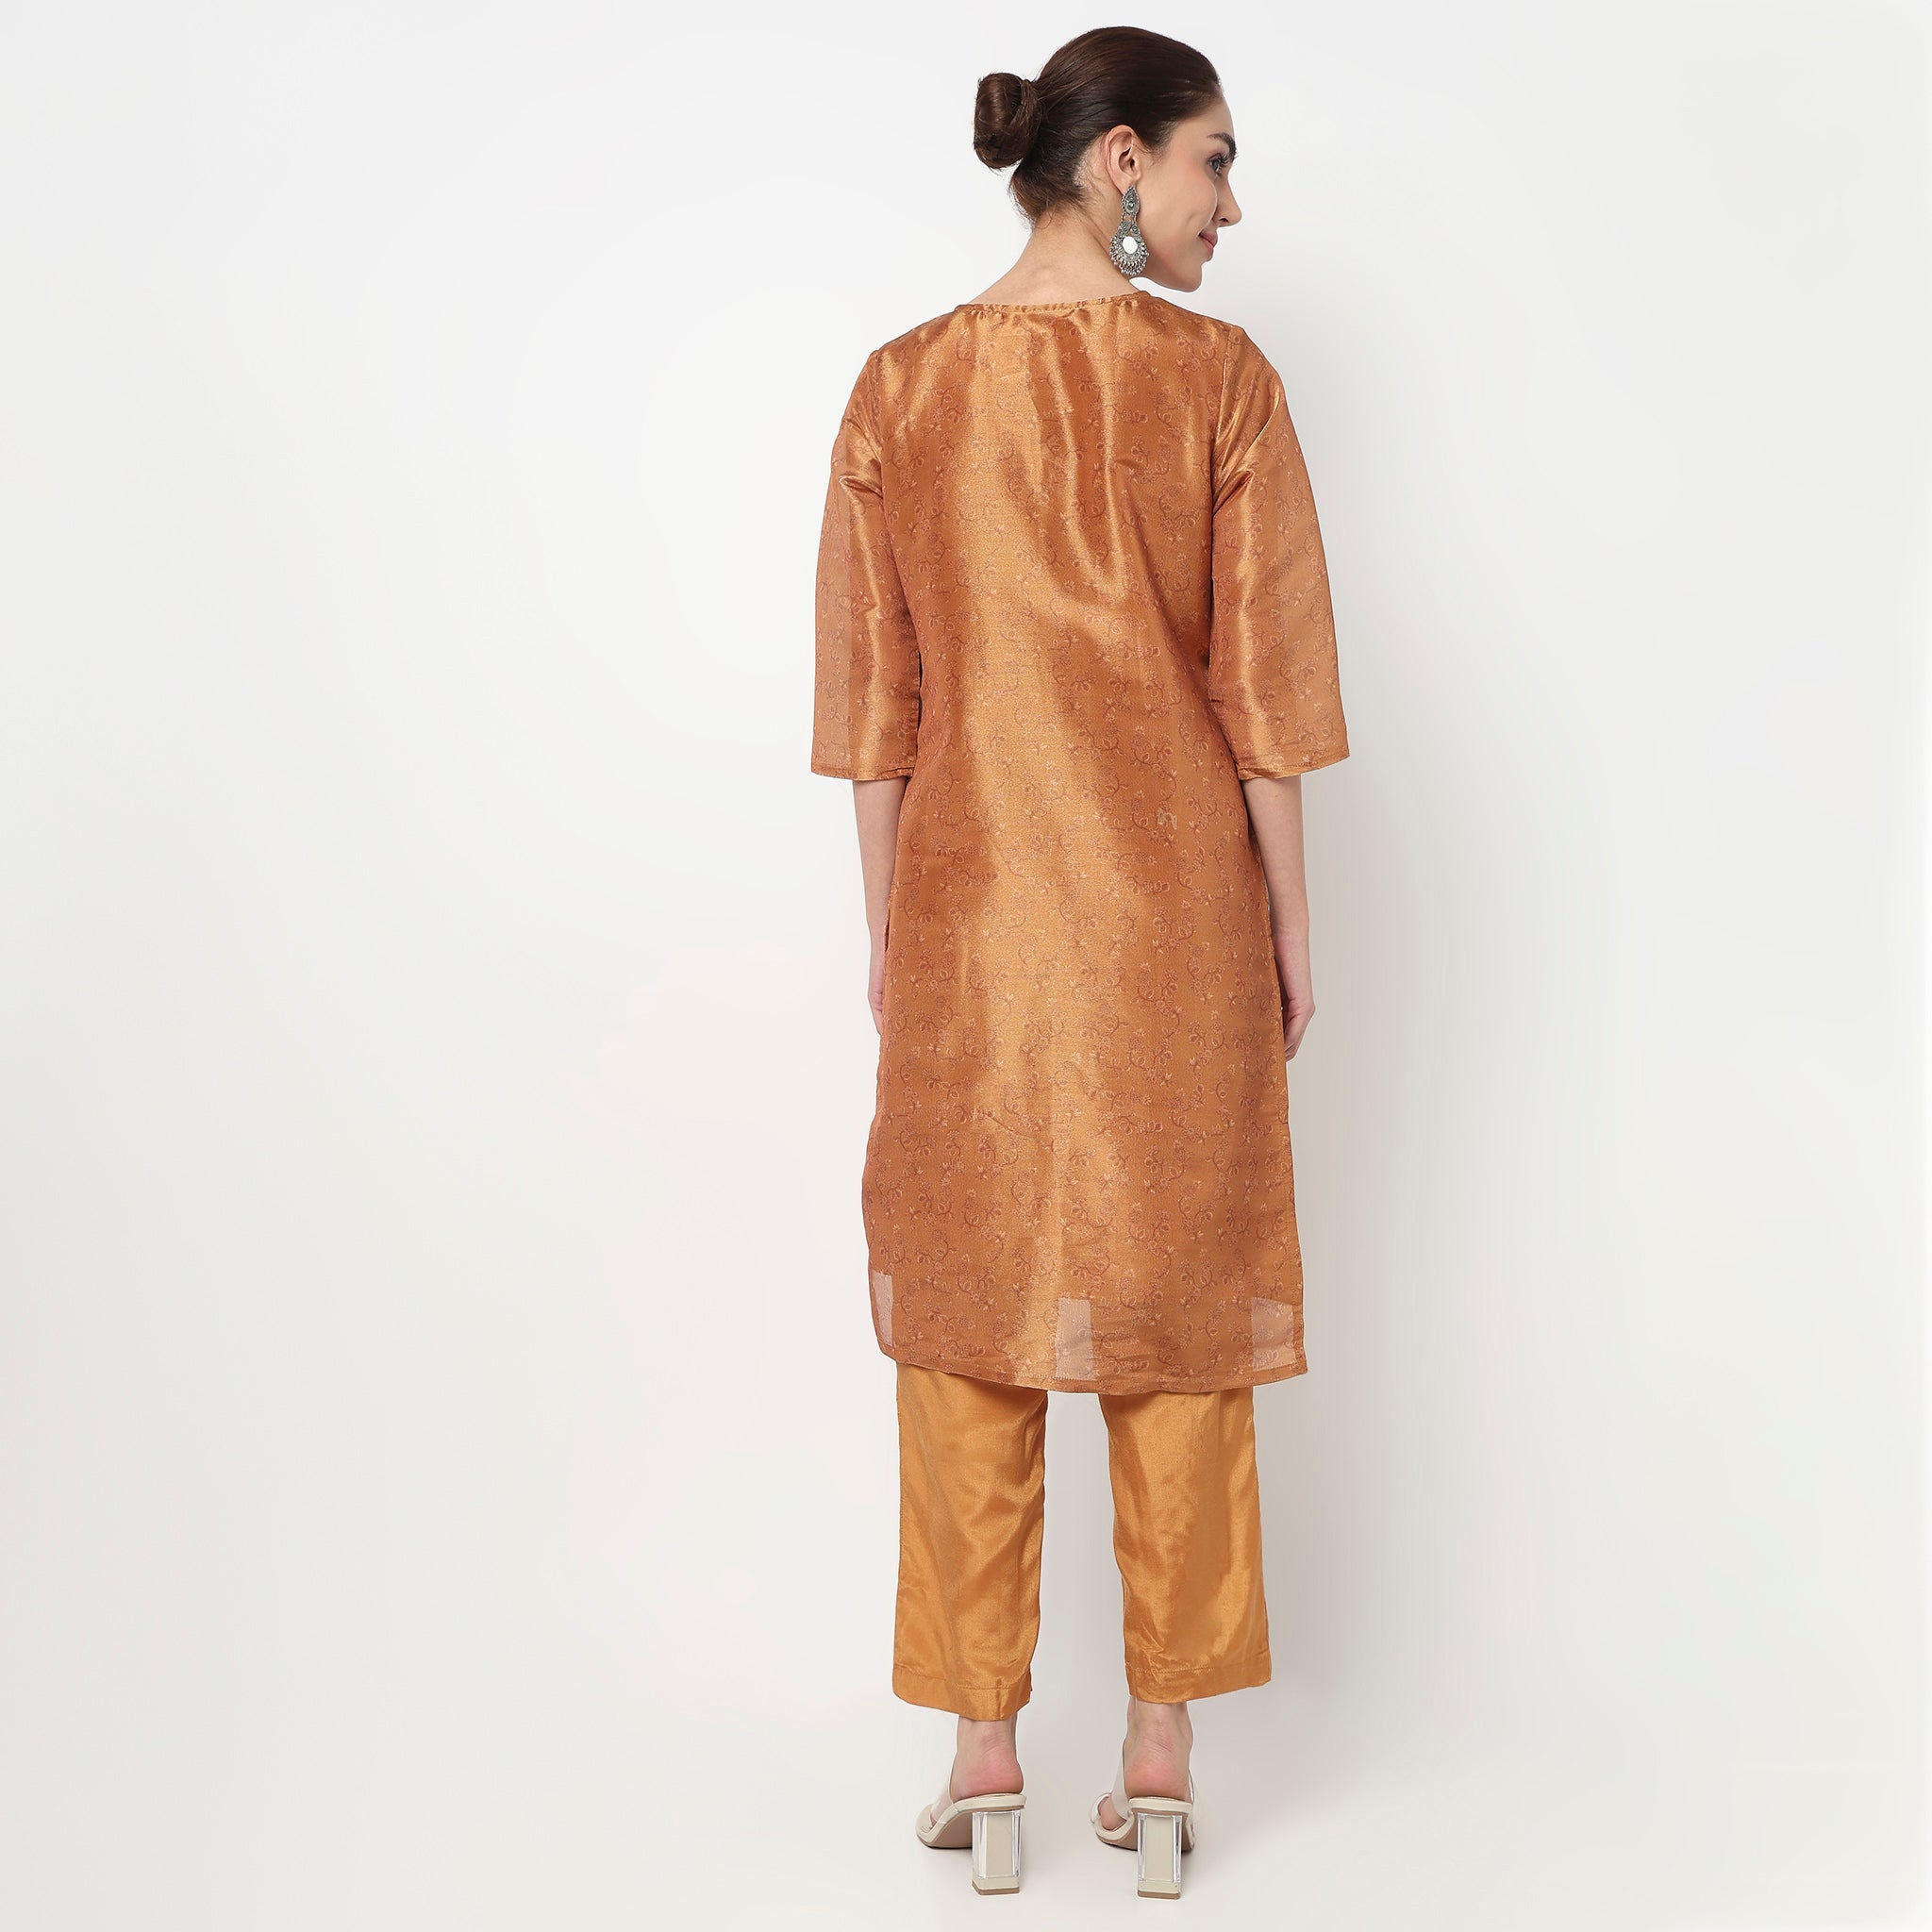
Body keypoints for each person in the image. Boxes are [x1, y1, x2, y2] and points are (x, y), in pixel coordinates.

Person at [810, 25, 1351, 1900]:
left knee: (971, 1327)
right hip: (1174, 927)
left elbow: (874, 718)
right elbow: (1267, 699)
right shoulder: (1221, 384)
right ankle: (1162, 1758)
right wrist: (1290, 926)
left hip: (969, 928)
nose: (1228, 204)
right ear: (1121, 160)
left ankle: (982, 1758)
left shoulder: (899, 390)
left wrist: (891, 937)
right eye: (1213, 160)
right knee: (1178, 1326)